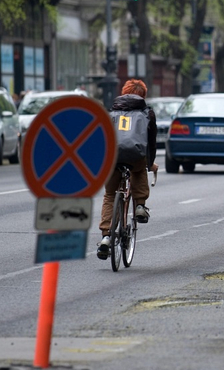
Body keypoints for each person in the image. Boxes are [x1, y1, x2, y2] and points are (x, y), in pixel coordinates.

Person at [97, 79, 158, 260]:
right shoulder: (147, 114)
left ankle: (106, 237)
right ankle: (140, 206)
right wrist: (150, 163)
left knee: (109, 195)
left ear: (124, 93)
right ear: (143, 95)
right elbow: (151, 143)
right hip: (136, 156)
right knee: (139, 169)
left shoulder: (111, 112)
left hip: (112, 158)